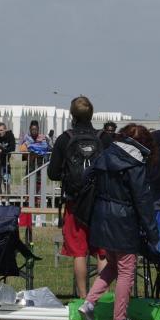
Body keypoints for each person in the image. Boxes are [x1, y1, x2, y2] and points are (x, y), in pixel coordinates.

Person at [79, 124, 159, 320]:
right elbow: (142, 200)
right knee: (126, 271)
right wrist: (152, 231)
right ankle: (120, 319)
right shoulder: (135, 164)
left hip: (102, 217)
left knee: (113, 267)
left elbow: (85, 178)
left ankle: (88, 303)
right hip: (124, 221)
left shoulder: (105, 155)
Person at [47, 95, 108, 297]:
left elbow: (52, 173)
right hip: (100, 203)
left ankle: (83, 298)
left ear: (72, 115)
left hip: (75, 202)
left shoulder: (65, 138)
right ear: (92, 114)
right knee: (102, 252)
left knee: (79, 252)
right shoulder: (104, 137)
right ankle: (101, 298)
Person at [0, 122, 16, 194]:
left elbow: (12, 147)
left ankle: (7, 201)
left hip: (6, 164)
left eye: (1, 130)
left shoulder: (10, 135)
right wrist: (4, 150)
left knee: (6, 182)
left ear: (5, 130)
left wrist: (1, 150)